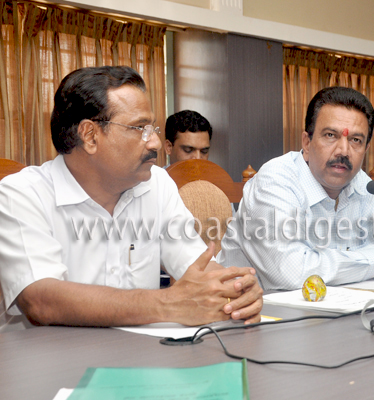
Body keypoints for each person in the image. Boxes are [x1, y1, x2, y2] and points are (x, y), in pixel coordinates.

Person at [0, 66, 262, 327]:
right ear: (90, 136)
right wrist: (168, 304)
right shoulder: (22, 194)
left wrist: (235, 288)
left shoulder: (156, 183)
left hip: (143, 349)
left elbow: (197, 266)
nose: (155, 143)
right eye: (139, 128)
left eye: (152, 128)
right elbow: (40, 300)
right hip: (53, 351)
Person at [217, 87, 374, 290]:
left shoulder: (364, 185)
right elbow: (293, 273)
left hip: (341, 304)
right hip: (252, 306)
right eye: (330, 135)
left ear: (366, 149)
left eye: (356, 140)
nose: (343, 151)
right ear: (307, 142)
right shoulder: (275, 180)